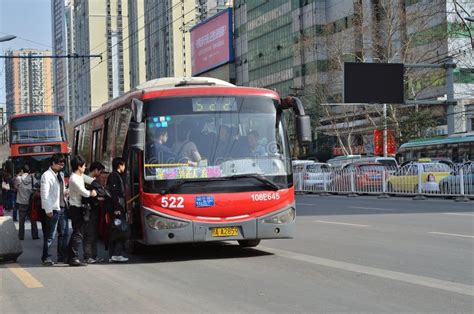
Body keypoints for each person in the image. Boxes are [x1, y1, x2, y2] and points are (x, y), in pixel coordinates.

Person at [67, 155, 97, 266]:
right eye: (84, 165)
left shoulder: (80, 176)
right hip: (76, 208)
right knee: (78, 233)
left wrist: (95, 184)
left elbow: (89, 180)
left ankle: (69, 256)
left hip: (79, 207)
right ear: (79, 166)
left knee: (77, 232)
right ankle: (73, 258)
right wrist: (92, 193)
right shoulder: (74, 178)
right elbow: (83, 192)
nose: (85, 167)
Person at [40, 153, 67, 266]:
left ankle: (61, 257)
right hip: (53, 209)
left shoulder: (60, 174)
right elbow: (44, 194)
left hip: (62, 207)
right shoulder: (46, 175)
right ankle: (47, 257)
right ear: (53, 163)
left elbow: (62, 190)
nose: (62, 165)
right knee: (50, 235)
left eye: (63, 163)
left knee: (64, 234)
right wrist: (48, 210)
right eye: (60, 163)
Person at [106, 157, 129, 263]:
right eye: (123, 165)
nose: (125, 167)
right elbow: (114, 194)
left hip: (118, 207)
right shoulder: (114, 176)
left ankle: (113, 255)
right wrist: (116, 208)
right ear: (119, 165)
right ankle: (116, 254)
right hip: (117, 208)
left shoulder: (116, 176)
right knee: (120, 231)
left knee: (115, 231)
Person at [83, 161, 106, 264]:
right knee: (89, 234)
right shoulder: (88, 180)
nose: (100, 174)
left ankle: (94, 255)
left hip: (94, 210)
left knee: (94, 234)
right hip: (89, 211)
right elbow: (101, 192)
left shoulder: (91, 180)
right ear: (96, 170)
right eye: (100, 171)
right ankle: (87, 256)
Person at [16, 165, 39, 240]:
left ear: (22, 171)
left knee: (21, 220)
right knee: (33, 219)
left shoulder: (18, 179)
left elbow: (16, 187)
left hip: (22, 202)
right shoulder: (33, 178)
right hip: (31, 202)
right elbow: (37, 187)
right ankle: (35, 235)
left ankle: (21, 236)